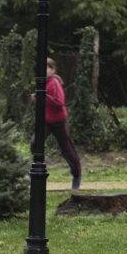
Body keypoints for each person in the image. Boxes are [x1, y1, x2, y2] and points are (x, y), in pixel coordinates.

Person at [31, 58, 81, 190]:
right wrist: (37, 96)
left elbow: (59, 102)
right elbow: (44, 100)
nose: (43, 71)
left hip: (59, 122)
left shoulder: (54, 83)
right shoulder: (43, 83)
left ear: (52, 70)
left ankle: (76, 175)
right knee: (35, 142)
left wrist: (43, 95)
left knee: (66, 150)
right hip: (46, 122)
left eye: (46, 68)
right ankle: (36, 169)